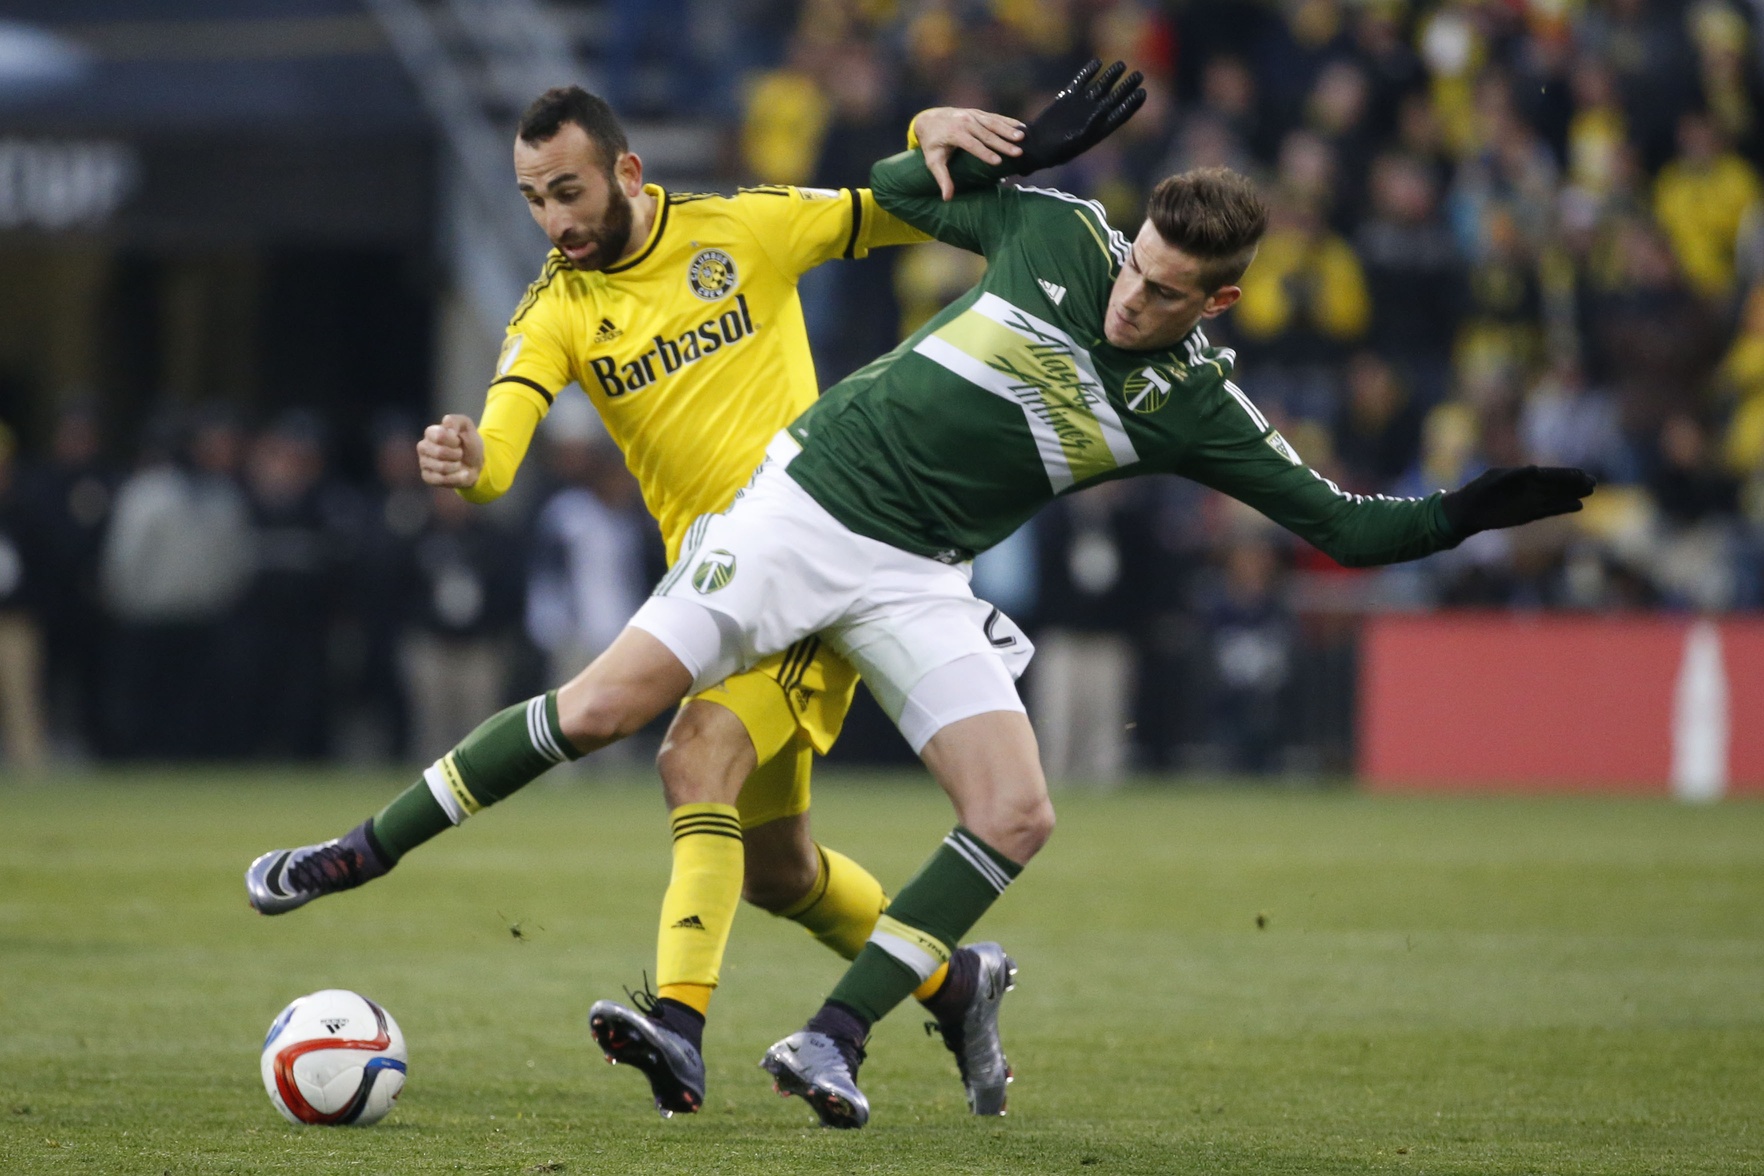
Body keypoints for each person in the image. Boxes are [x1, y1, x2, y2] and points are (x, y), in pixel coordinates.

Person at [258, 61, 1593, 1129]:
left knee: (1016, 809)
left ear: (1220, 298)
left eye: (1171, 293)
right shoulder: (1063, 236)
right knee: (625, 722)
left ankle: (827, 1038)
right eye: (1136, 267)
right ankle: (363, 853)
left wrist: (1470, 513)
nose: (1134, 299)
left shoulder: (1197, 406)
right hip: (798, 510)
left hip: (915, 575)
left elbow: (1345, 532)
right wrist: (976, 132)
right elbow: (903, 189)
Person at [246, 85, 1034, 1118]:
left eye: (568, 190)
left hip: (822, 566)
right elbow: (501, 444)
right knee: (781, 872)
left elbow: (901, 209)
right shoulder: (556, 308)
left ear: (626, 172)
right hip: (707, 594)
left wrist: (928, 133)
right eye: (532, 199)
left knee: (689, 751)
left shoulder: (742, 230)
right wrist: (468, 457)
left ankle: (676, 1020)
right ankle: (956, 981)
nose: (555, 221)